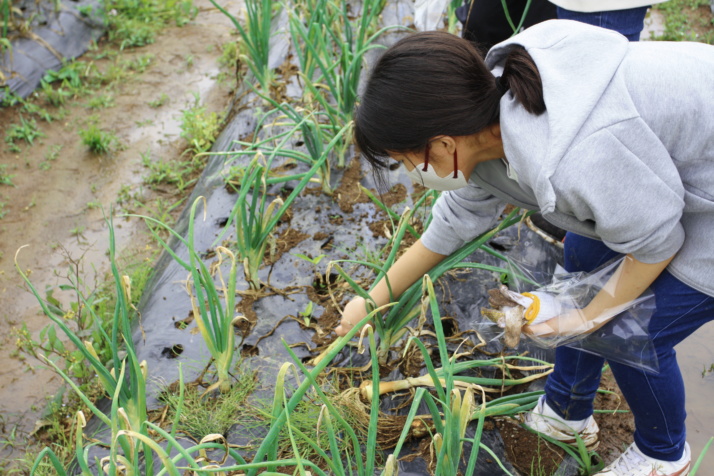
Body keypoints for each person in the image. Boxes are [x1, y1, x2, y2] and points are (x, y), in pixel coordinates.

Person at [335, 21, 714, 476]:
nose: (412, 174)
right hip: (666, 178)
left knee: (632, 330)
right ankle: (566, 412)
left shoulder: (572, 156)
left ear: (442, 143)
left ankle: (663, 455)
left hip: (695, 198)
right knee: (580, 260)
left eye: (405, 161)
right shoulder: (488, 121)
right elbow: (454, 221)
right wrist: (373, 299)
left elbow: (656, 245)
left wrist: (586, 318)